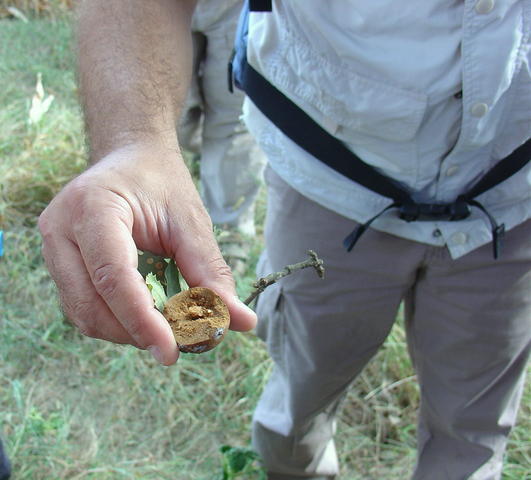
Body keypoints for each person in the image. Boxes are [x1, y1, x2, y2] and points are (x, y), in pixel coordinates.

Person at [38, 1, 530, 479]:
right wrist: (135, 141)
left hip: (514, 201)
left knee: (474, 424)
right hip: (333, 178)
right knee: (302, 390)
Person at [179, 0, 265, 275]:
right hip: (154, 9)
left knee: (234, 116)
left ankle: (228, 228)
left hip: (239, 7)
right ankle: (203, 159)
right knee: (171, 118)